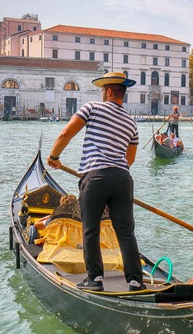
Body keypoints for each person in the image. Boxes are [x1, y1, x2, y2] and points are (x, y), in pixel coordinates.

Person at [46, 71, 145, 292]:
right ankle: (136, 280)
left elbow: (66, 134)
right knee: (126, 232)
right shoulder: (131, 122)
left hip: (95, 177)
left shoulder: (92, 108)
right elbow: (130, 159)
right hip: (122, 178)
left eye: (103, 90)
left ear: (109, 91)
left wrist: (54, 157)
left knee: (90, 229)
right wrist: (114, 176)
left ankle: (95, 278)